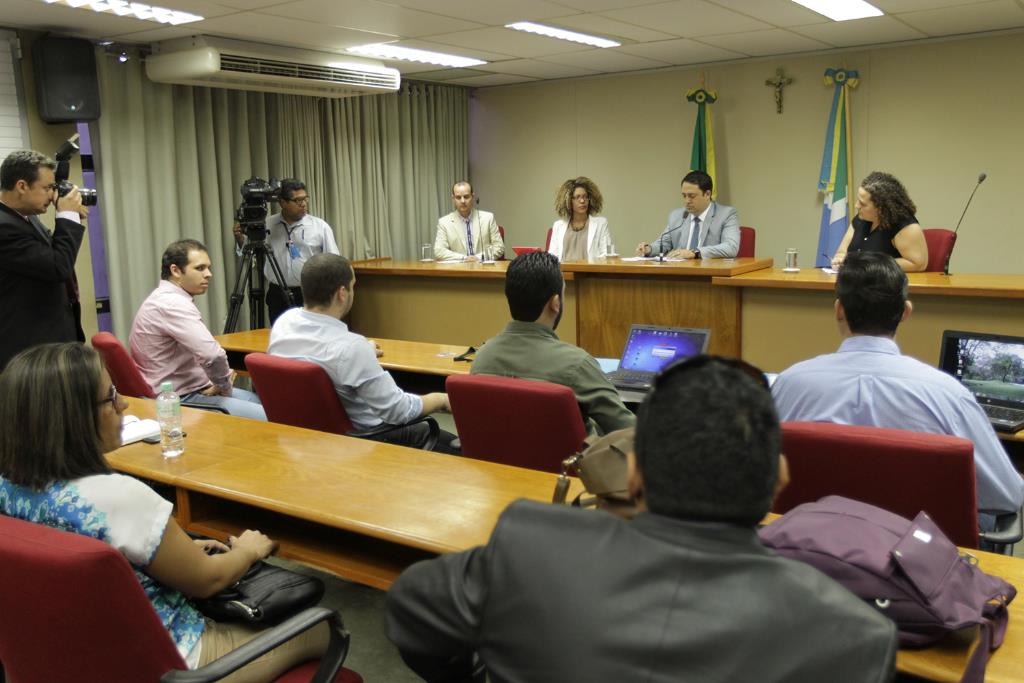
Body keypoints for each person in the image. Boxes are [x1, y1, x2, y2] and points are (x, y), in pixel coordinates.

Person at [385, 356, 897, 683]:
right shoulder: (855, 637)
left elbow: (409, 613)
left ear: (633, 474)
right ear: (779, 478)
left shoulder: (529, 544)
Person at [0, 343, 328, 681]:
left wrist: (176, 552)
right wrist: (246, 551)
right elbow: (208, 580)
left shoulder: (6, 488)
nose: (123, 404)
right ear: (74, 418)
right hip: (178, 663)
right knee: (320, 625)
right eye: (111, 396)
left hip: (69, 661)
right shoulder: (119, 497)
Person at [773, 251, 1024, 519]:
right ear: (905, 312)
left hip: (807, 549)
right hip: (915, 556)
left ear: (839, 309)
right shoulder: (948, 395)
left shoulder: (789, 384)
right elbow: (1007, 497)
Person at [268, 253, 458, 453]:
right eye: (353, 285)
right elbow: (398, 411)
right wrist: (441, 399)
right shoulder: (351, 348)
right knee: (465, 451)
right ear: (342, 293)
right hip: (366, 439)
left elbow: (317, 350)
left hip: (306, 437)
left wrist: (363, 352)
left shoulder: (284, 323)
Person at [471, 251, 634, 436]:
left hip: (495, 464)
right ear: (556, 303)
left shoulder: (482, 357)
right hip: (567, 465)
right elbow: (630, 433)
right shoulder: (577, 364)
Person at [130, 239, 266, 421]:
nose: (209, 274)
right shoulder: (172, 304)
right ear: (175, 271)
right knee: (271, 416)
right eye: (200, 268)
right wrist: (223, 386)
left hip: (185, 388)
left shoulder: (162, 298)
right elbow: (212, 355)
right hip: (178, 400)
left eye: (208, 268)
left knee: (263, 403)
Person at [0, 149, 88, 370]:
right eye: (48, 188)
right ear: (22, 186)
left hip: (50, 342)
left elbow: (55, 255)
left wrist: (71, 218)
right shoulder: (4, 226)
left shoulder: (27, 218)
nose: (52, 195)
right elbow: (58, 267)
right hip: (28, 352)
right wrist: (67, 217)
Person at [233, 178, 339, 324]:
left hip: (310, 293)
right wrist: (239, 238)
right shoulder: (268, 224)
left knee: (309, 339)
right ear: (282, 202)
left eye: (305, 199)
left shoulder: (320, 226)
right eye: (297, 200)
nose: (303, 204)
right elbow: (250, 250)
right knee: (281, 339)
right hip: (277, 295)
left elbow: (334, 262)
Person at [830, 171, 928, 272]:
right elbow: (841, 252)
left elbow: (918, 264)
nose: (856, 206)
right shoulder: (861, 218)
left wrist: (868, 265)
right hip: (855, 282)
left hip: (886, 285)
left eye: (863, 204)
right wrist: (839, 259)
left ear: (881, 208)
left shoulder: (905, 226)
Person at [636, 170, 739, 259]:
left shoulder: (726, 215)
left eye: (691, 196)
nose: (687, 201)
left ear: (707, 194)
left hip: (710, 274)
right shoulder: (677, 215)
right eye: (684, 196)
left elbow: (731, 247)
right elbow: (664, 243)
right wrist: (649, 249)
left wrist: (695, 253)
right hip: (681, 273)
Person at [433, 181, 504, 262]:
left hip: (484, 269)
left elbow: (499, 247)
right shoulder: (444, 222)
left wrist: (478, 257)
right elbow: (439, 251)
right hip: (458, 270)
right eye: (458, 197)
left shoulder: (488, 218)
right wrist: (464, 258)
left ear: (472, 197)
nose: (463, 201)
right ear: (453, 199)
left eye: (466, 197)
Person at [547, 176, 613, 261]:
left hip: (590, 272)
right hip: (564, 272)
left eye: (585, 197)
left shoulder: (601, 223)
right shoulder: (558, 225)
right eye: (577, 197)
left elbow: (607, 255)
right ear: (568, 201)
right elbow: (552, 256)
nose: (582, 201)